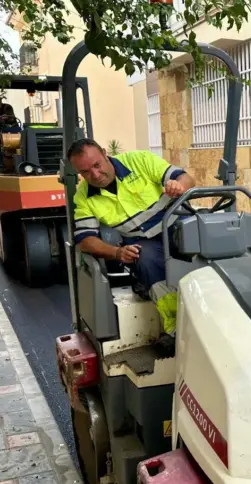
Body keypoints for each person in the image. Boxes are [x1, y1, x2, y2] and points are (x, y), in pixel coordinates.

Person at [68, 138, 196, 347]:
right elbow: (85, 240)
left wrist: (178, 185)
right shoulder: (83, 197)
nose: (95, 175)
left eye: (97, 165)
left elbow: (185, 178)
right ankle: (176, 328)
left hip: (176, 226)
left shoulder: (139, 160)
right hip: (143, 243)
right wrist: (117, 253)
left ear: (104, 153)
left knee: (204, 244)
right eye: (85, 172)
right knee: (143, 257)